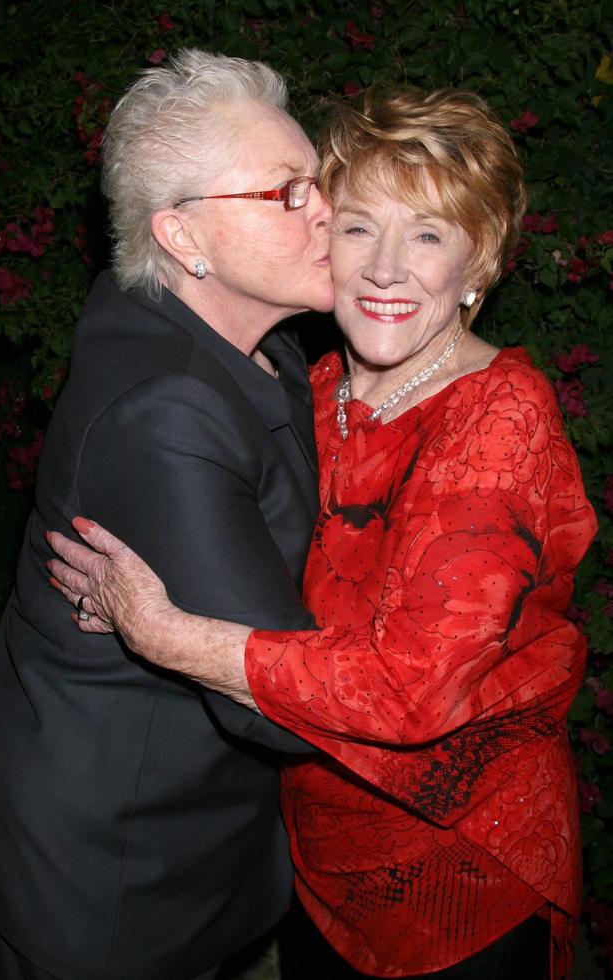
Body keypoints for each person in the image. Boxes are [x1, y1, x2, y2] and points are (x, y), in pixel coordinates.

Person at [47, 86, 597, 980]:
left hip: (455, 875)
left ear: (479, 264)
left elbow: (412, 689)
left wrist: (166, 634)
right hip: (315, 860)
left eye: (427, 234)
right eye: (357, 227)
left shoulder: (499, 420)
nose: (384, 267)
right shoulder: (318, 386)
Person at [0, 49, 335, 980]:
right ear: (183, 236)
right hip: (112, 874)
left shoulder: (239, 333)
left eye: (319, 179)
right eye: (286, 192)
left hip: (193, 829)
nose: (327, 209)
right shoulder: (165, 410)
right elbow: (286, 706)